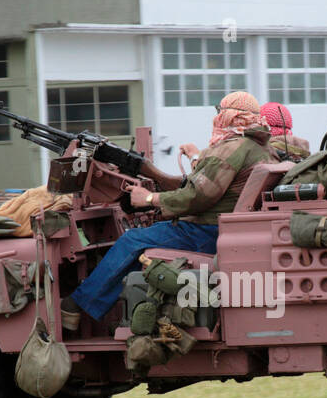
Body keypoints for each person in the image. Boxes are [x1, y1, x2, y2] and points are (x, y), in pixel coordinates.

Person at [61, 91, 272, 330]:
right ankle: (112, 310)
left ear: (231, 117)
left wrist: (150, 198)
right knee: (141, 242)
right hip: (222, 229)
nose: (217, 117)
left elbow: (198, 196)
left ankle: (76, 306)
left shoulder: (232, 147)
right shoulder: (260, 148)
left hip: (206, 231)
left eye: (220, 112)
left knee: (132, 241)